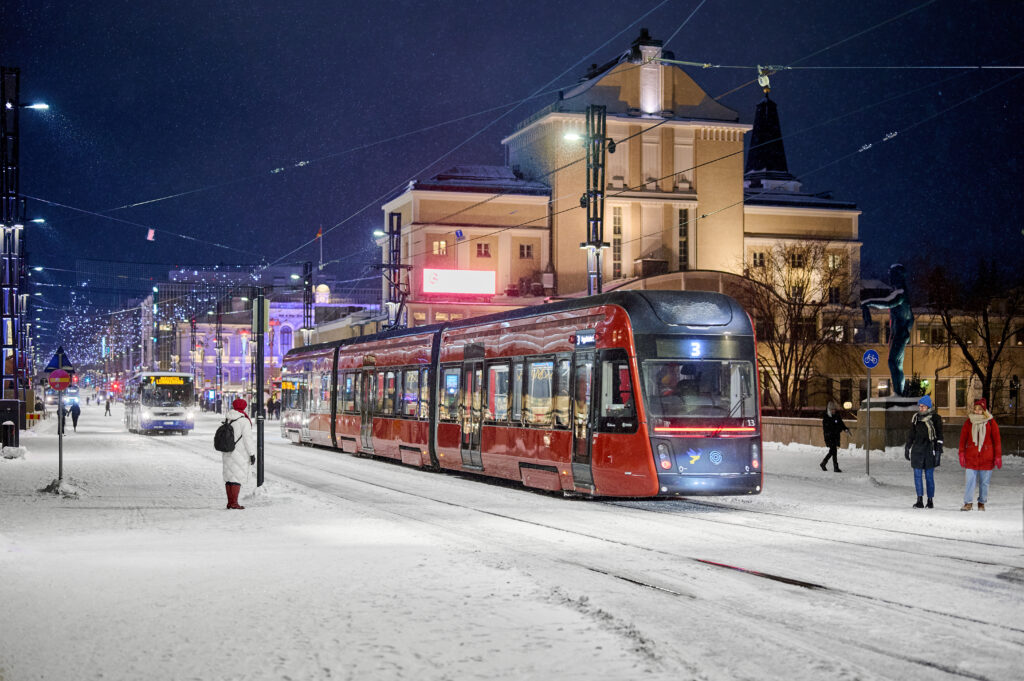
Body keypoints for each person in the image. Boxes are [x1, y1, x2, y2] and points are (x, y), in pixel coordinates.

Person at [861, 264, 913, 396]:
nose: (890, 278)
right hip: (898, 333)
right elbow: (911, 318)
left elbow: (888, 302)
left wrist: (867, 302)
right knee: (896, 364)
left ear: (898, 277)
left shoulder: (900, 294)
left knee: (893, 362)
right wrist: (906, 331)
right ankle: (899, 392)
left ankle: (898, 393)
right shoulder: (902, 294)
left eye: (892, 275)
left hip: (899, 333)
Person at [957, 398, 1002, 511]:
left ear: (984, 410)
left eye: (980, 409)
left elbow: (997, 441)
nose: (977, 411)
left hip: (987, 458)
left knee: (984, 483)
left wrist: (998, 456)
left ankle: (982, 502)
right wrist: (961, 453)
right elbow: (962, 440)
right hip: (971, 457)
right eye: (975, 409)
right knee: (969, 482)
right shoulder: (968, 422)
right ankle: (968, 503)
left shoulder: (991, 422)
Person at [905, 395, 943, 509]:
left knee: (929, 476)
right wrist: (907, 447)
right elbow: (911, 434)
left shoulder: (935, 418)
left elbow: (940, 435)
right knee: (917, 476)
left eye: (923, 406)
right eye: (920, 406)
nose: (921, 408)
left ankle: (930, 500)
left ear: (928, 407)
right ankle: (919, 500)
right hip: (917, 450)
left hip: (929, 450)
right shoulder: (916, 418)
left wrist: (938, 450)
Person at [220, 398, 255, 510]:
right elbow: (248, 439)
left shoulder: (228, 418)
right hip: (240, 453)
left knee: (229, 477)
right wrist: (252, 454)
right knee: (236, 478)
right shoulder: (244, 421)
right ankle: (234, 503)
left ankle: (230, 502)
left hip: (227, 451)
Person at [820, 400, 850, 472]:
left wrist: (845, 429)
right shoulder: (826, 418)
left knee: (832, 451)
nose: (834, 411)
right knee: (834, 451)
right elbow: (827, 428)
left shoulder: (837, 416)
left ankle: (824, 463)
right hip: (829, 437)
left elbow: (841, 424)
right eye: (832, 409)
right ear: (829, 410)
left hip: (835, 436)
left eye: (834, 409)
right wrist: (835, 430)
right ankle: (835, 467)